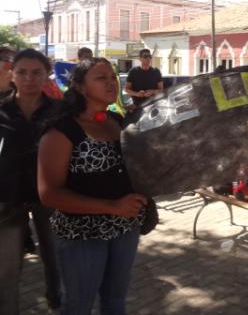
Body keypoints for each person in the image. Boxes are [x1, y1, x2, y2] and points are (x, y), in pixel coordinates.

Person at [38, 57, 148, 315]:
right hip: (82, 234)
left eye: (112, 77)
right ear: (79, 86)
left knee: (115, 300)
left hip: (125, 227)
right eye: (101, 78)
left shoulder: (116, 121)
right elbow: (48, 194)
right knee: (78, 305)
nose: (111, 83)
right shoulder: (61, 131)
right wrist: (111, 206)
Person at [0, 49, 62, 314]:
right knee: (7, 271)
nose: (29, 79)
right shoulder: (1, 111)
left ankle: (57, 305)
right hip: (7, 199)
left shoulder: (59, 113)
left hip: (49, 197)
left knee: (56, 262)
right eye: (22, 72)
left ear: (46, 74)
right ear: (12, 75)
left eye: (36, 72)